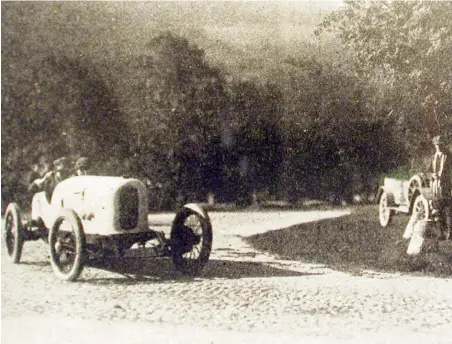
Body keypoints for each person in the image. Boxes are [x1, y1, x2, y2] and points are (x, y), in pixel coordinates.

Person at [430, 135, 452, 240]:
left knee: (447, 208)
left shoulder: (448, 156)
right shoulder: (434, 157)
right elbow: (429, 170)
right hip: (436, 185)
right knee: (437, 209)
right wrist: (432, 175)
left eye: (441, 145)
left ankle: (449, 232)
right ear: (434, 145)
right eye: (437, 145)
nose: (439, 147)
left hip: (446, 184)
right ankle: (440, 233)